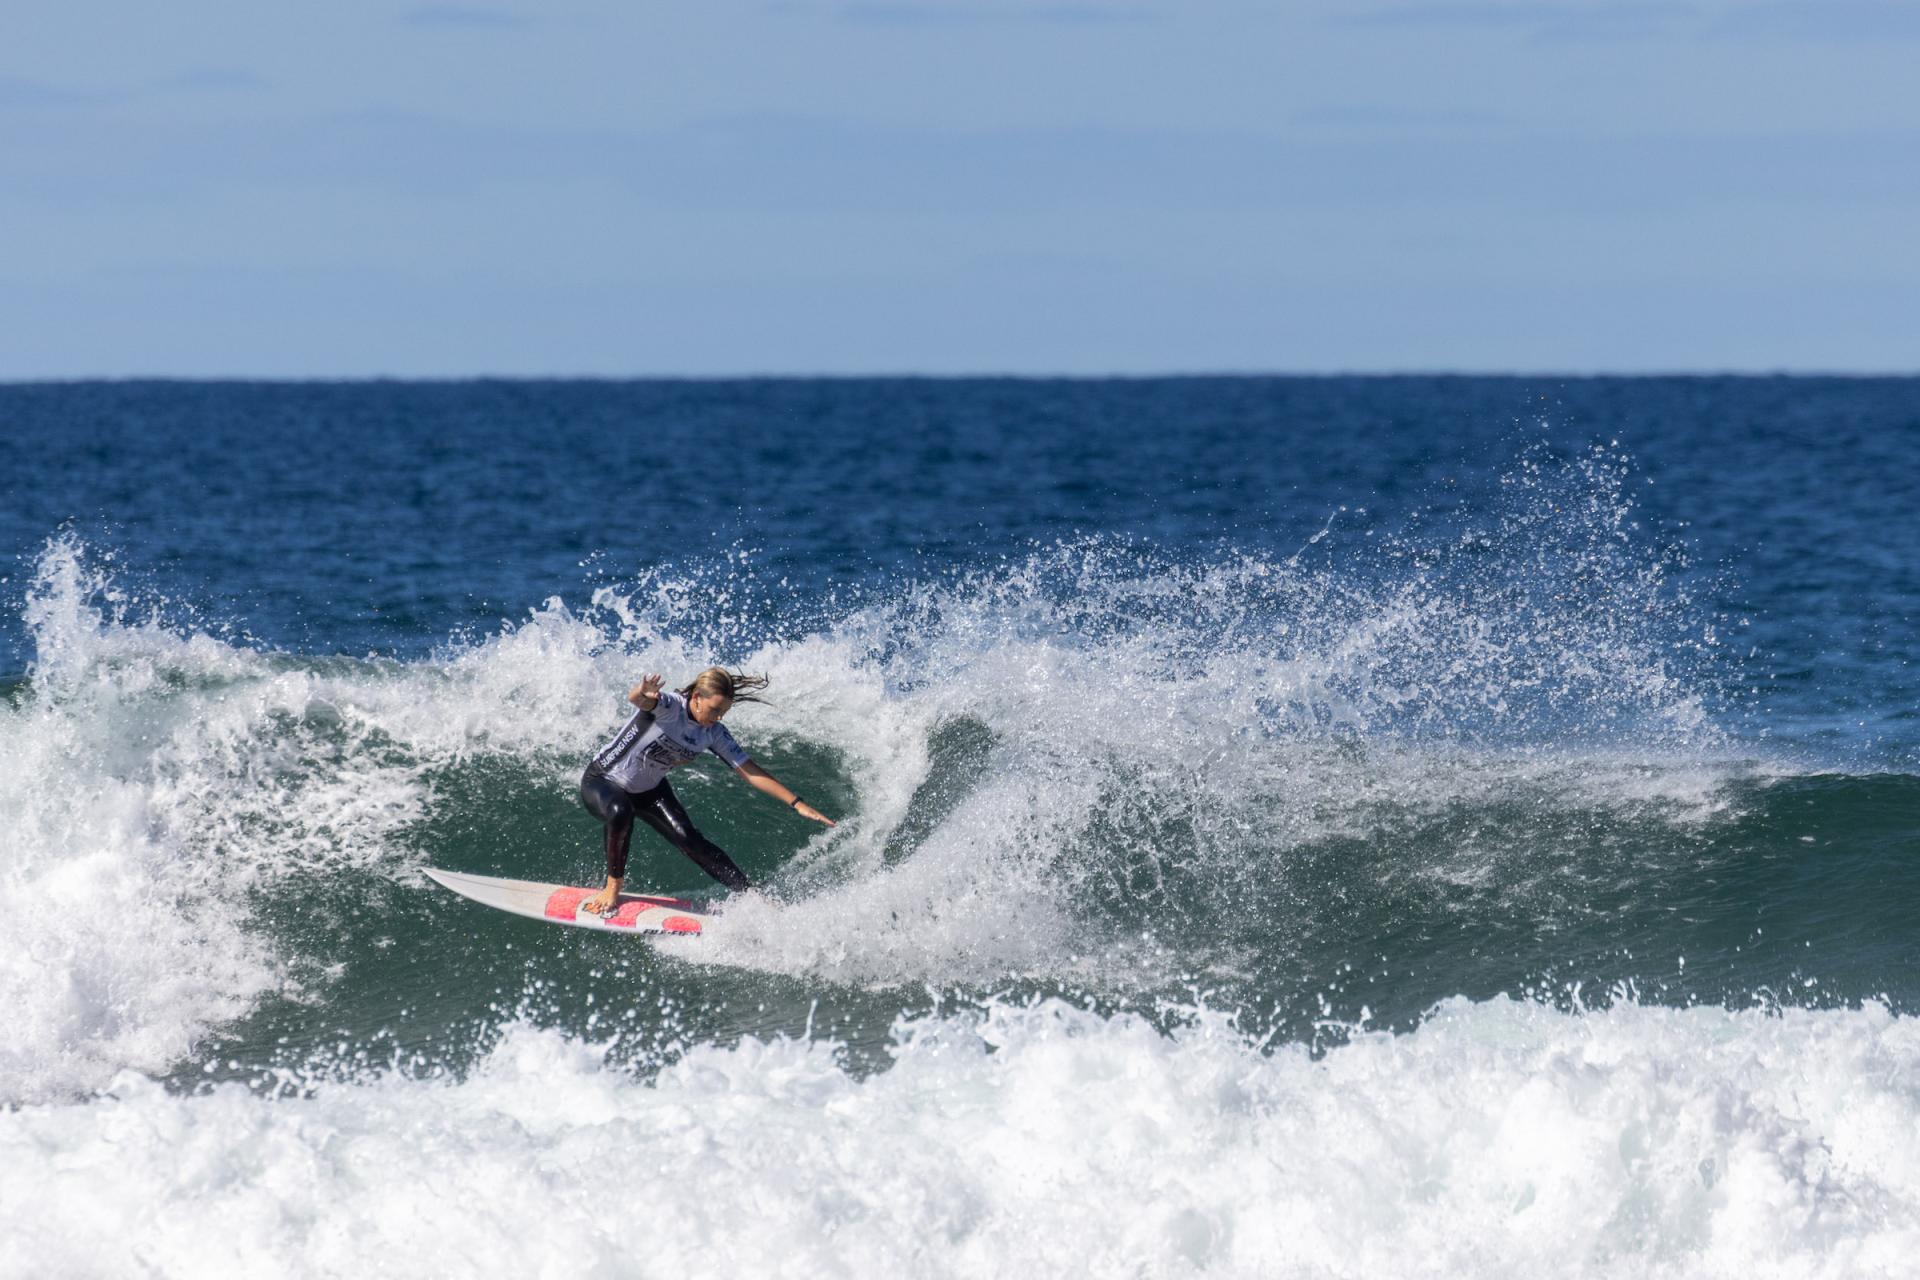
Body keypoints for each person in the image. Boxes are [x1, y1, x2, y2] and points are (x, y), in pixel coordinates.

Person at [577, 666, 833, 915]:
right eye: (715, 710)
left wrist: (797, 803)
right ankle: (613, 886)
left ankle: (753, 898)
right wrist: (642, 692)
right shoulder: (671, 707)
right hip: (603, 780)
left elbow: (749, 770)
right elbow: (638, 700)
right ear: (697, 697)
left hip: (649, 791)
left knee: (690, 839)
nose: (719, 717)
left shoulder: (713, 733)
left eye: (724, 712)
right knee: (620, 810)